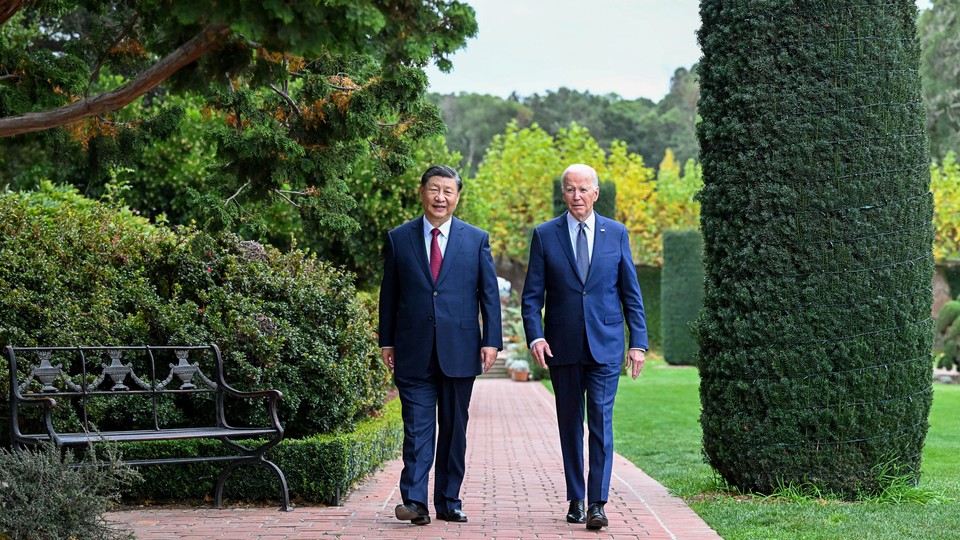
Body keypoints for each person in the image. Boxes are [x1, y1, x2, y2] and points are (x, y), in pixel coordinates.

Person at [521, 163, 647, 530]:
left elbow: (631, 295)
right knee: (570, 425)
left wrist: (637, 343)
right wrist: (536, 335)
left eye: (583, 189)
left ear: (596, 193)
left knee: (601, 425)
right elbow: (532, 297)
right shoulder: (545, 235)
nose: (577, 196)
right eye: (570, 189)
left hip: (606, 346)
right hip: (562, 347)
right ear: (564, 194)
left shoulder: (616, 233)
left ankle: (597, 503)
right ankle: (575, 498)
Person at [379, 164, 502, 526]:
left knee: (453, 429)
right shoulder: (399, 238)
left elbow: (489, 295)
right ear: (422, 192)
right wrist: (387, 339)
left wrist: (491, 340)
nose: (440, 197)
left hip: (461, 349)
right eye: (434, 189)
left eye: (448, 191)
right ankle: (414, 502)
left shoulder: (475, 238)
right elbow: (390, 294)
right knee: (417, 429)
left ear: (457, 197)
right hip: (413, 349)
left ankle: (449, 500)